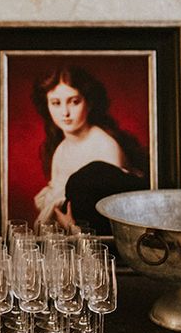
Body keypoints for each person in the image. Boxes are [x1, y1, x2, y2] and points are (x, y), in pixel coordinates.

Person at [30, 64, 149, 234]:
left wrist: (72, 227)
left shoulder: (105, 147)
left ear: (89, 102)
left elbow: (110, 222)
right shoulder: (61, 149)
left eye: (74, 102)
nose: (65, 112)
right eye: (56, 103)